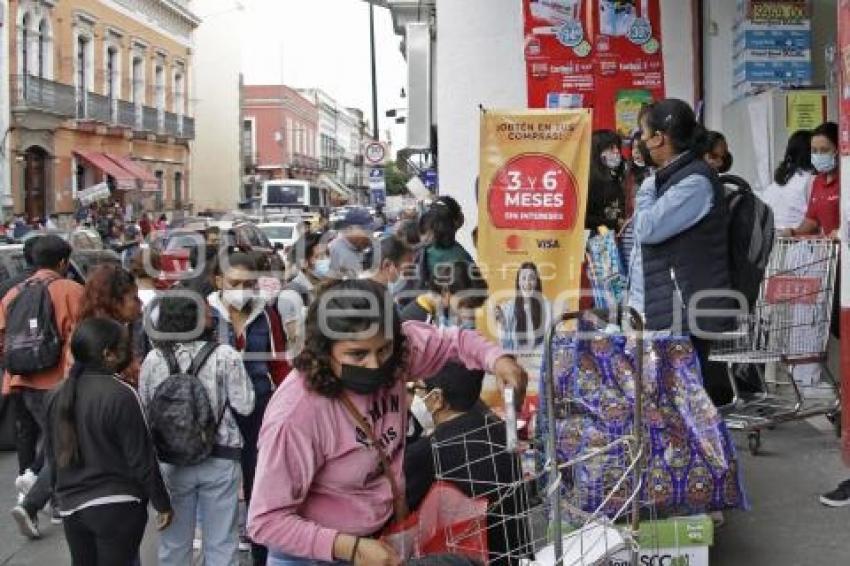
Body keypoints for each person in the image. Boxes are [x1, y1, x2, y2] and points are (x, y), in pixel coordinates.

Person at [246, 278, 527, 565]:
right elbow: (265, 521)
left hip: (378, 537)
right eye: (357, 354)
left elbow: (454, 342)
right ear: (324, 351)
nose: (375, 365)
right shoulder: (296, 414)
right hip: (314, 555)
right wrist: (350, 548)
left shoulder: (398, 354)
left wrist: (498, 361)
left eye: (382, 350)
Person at [627, 99, 737, 406]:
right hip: (667, 307)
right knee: (668, 401)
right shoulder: (674, 176)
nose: (642, 143)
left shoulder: (695, 181)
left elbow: (648, 227)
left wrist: (647, 185)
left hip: (686, 308)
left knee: (688, 402)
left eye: (645, 136)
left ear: (660, 138)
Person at [44, 317, 172, 565]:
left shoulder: (55, 394)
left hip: (72, 507)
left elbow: (52, 455)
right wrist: (162, 503)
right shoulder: (121, 394)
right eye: (125, 346)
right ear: (108, 354)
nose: (131, 352)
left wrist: (57, 496)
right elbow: (142, 458)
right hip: (118, 506)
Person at [139, 296, 255, 566]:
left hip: (170, 461)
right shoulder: (225, 355)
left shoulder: (153, 359)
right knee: (222, 543)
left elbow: (145, 408)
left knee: (174, 542)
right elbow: (246, 405)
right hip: (221, 456)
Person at [405, 363, 530, 566]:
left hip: (459, 558)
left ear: (437, 399)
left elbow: (397, 510)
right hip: (508, 553)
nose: (416, 397)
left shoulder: (428, 451)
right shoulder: (500, 430)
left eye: (418, 390)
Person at [208, 252, 288, 563]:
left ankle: (261, 554)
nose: (242, 289)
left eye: (249, 284)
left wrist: (285, 406)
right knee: (221, 493)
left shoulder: (267, 314)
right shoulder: (206, 314)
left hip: (261, 411)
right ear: (219, 282)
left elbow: (280, 364)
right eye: (235, 283)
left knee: (260, 487)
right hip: (218, 414)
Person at [4, 235, 85, 537]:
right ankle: (34, 500)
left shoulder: (14, 293)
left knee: (55, 442)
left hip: (24, 381)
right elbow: (79, 338)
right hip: (59, 382)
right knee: (63, 445)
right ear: (63, 262)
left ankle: (41, 486)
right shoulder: (71, 290)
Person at [79, 265, 144, 387]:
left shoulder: (123, 329)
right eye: (134, 298)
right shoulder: (96, 340)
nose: (140, 303)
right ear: (114, 302)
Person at [787, 122, 840, 237]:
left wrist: (841, 233)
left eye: (824, 150)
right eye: (814, 151)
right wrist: (792, 232)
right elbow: (812, 221)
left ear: (838, 150)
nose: (819, 155)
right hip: (830, 251)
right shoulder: (818, 182)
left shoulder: (845, 182)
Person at [400, 261, 488, 330]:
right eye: (464, 305)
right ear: (445, 293)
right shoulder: (417, 322)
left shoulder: (439, 313)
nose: (468, 314)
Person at [760, 130, 814, 231]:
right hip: (798, 239)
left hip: (772, 238)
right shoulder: (810, 180)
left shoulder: (779, 179)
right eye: (816, 150)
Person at [496, 262, 552, 351]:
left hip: (540, 361)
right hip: (518, 361)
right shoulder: (509, 308)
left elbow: (551, 339)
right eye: (523, 278)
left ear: (537, 282)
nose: (527, 282)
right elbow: (504, 346)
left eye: (531, 278)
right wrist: (502, 324)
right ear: (518, 282)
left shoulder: (546, 306)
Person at [586, 129, 627, 232]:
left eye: (617, 147)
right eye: (611, 148)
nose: (616, 151)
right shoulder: (589, 181)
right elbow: (584, 218)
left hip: (614, 237)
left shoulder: (616, 176)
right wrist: (614, 222)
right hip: (595, 240)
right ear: (597, 151)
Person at [286, 231, 330, 305]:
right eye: (320, 257)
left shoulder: (330, 286)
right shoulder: (292, 294)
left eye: (328, 255)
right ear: (303, 263)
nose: (328, 261)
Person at [329, 209, 374, 278]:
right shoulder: (337, 250)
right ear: (349, 229)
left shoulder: (357, 244)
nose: (369, 234)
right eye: (365, 230)